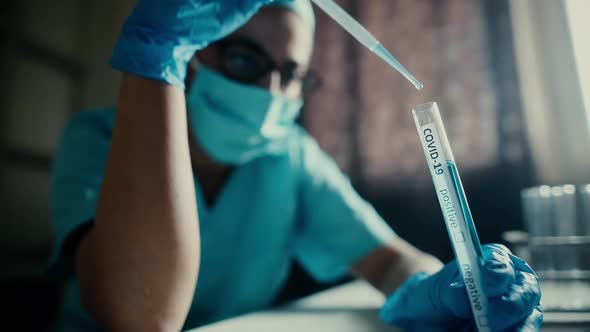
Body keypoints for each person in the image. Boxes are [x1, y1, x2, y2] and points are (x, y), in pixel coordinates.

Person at [48, 0, 542, 331]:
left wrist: (441, 290)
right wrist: (155, 52)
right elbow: (141, 318)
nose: (271, 94)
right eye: (246, 59)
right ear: (191, 51)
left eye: (291, 75)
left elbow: (390, 260)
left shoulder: (291, 155)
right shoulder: (98, 137)